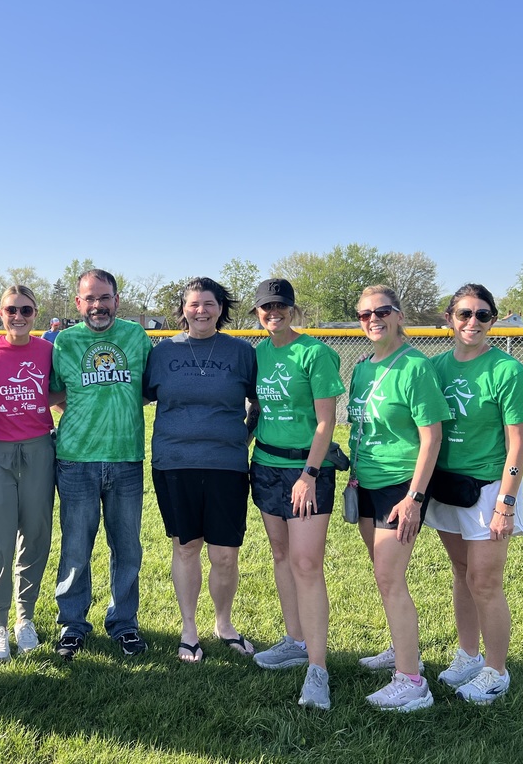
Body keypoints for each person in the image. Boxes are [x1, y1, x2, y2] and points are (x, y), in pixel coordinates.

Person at [426, 284, 523, 703]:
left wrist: (506, 503)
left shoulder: (507, 370)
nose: (472, 322)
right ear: (449, 319)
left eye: (482, 314)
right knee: (461, 572)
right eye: (464, 313)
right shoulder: (435, 368)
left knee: (485, 581)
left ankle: (496, 671)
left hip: (489, 488)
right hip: (447, 486)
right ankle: (469, 656)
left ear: (492, 320)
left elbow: (519, 443)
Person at [144, 278, 257, 664]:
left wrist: (240, 439)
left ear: (221, 308)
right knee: (186, 546)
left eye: (209, 303)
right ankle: (188, 628)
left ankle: (224, 624)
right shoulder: (163, 352)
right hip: (175, 463)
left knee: (225, 554)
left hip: (226, 465)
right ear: (183, 309)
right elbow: (139, 396)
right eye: (193, 304)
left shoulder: (241, 352)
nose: (201, 310)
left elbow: (260, 403)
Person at [349, 284, 451, 712]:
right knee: (382, 575)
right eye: (365, 314)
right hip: (367, 483)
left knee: (391, 579)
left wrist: (414, 497)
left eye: (382, 311)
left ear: (399, 315)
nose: (373, 319)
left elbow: (432, 437)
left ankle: (412, 682)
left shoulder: (415, 367)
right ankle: (401, 648)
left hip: (400, 486)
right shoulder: (363, 368)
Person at [247, 279, 345, 710]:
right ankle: (295, 640)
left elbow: (326, 422)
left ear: (293, 309)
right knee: (281, 554)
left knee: (307, 563)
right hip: (266, 465)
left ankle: (318, 668)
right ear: (257, 313)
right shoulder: (257, 354)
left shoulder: (315, 353)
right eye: (266, 307)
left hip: (306, 470)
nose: (274, 313)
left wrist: (309, 473)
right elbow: (257, 408)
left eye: (280, 306)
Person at [50, 269, 153, 660]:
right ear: (78, 303)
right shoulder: (65, 341)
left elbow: (148, 389)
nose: (98, 305)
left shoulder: (136, 337)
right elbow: (55, 392)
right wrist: (84, 412)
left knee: (127, 549)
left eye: (104, 297)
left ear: (116, 300)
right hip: (76, 459)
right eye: (90, 298)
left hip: (126, 457)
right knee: (76, 549)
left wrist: (117, 406)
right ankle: (72, 625)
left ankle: (123, 624)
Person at [0, 285, 57, 662]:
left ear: (35, 313)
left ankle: (26, 618)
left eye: (25, 310)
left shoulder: (48, 351)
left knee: (36, 536)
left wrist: (32, 411)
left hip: (38, 450)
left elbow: (59, 392)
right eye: (11, 310)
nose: (18, 316)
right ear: (0, 313)